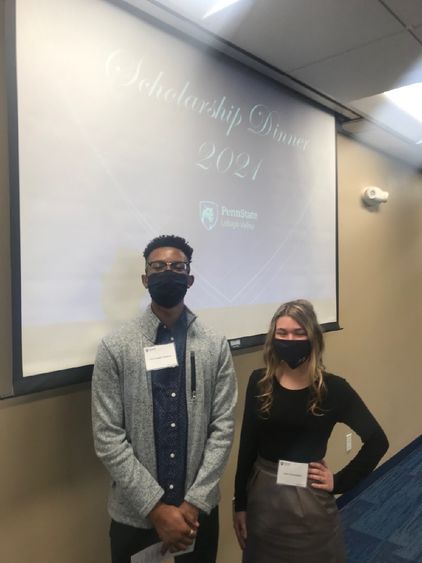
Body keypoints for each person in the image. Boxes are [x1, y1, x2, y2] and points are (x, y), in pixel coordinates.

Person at [92, 234, 237, 563]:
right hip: (135, 518)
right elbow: (107, 436)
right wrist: (155, 509)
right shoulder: (115, 347)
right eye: (158, 267)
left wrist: (194, 501)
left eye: (176, 267)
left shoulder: (215, 344)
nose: (167, 272)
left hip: (197, 515)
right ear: (145, 279)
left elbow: (223, 427)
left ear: (189, 279)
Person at [233, 299, 388, 563]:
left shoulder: (333, 389)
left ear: (313, 338)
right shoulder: (259, 382)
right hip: (263, 498)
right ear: (272, 339)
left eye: (298, 333)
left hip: (310, 500)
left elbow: (377, 441)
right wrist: (240, 504)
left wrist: (338, 482)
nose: (289, 340)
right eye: (282, 333)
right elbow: (247, 444)